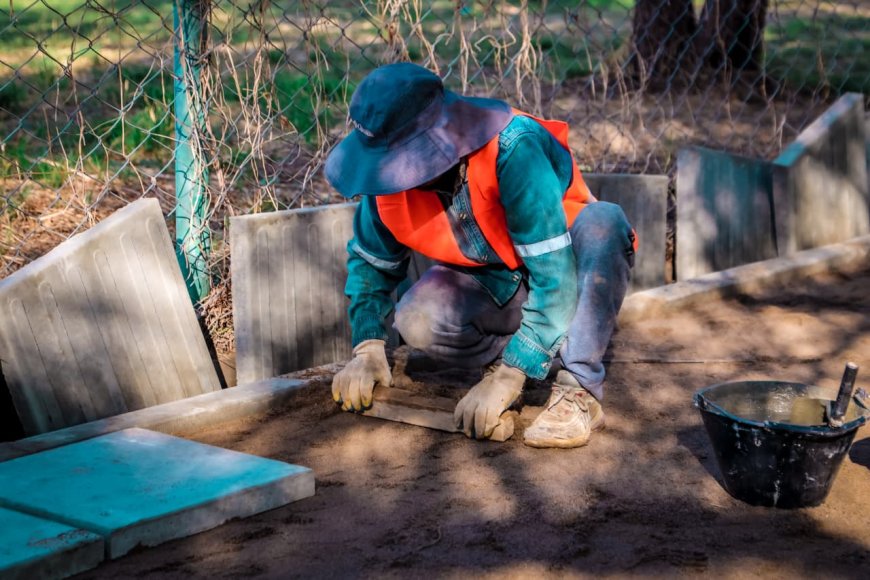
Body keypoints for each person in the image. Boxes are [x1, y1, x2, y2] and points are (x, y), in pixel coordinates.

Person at [324, 62, 635, 448]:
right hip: (499, 284)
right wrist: (368, 345)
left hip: (568, 264)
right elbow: (371, 263)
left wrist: (511, 376)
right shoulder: (384, 180)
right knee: (416, 319)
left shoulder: (513, 148)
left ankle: (577, 388)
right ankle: (523, 356)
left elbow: (554, 276)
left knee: (605, 223)